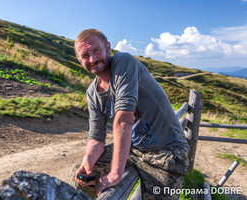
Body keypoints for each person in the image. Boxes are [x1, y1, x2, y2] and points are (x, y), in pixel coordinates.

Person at [70, 28, 189, 200]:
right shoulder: (92, 93)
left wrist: (115, 175)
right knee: (79, 174)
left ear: (108, 48)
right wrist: (87, 161)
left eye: (96, 50)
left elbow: (124, 118)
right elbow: (96, 137)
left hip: (167, 152)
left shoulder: (123, 62)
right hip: (135, 150)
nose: (93, 59)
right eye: (85, 55)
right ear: (80, 61)